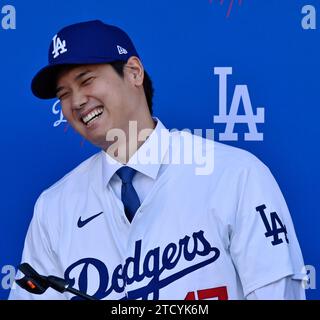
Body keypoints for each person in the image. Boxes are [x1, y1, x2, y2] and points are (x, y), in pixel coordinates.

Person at [9, 20, 306, 300]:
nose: (76, 102)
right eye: (63, 94)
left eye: (86, 80)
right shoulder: (53, 208)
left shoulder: (236, 175)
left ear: (134, 72)